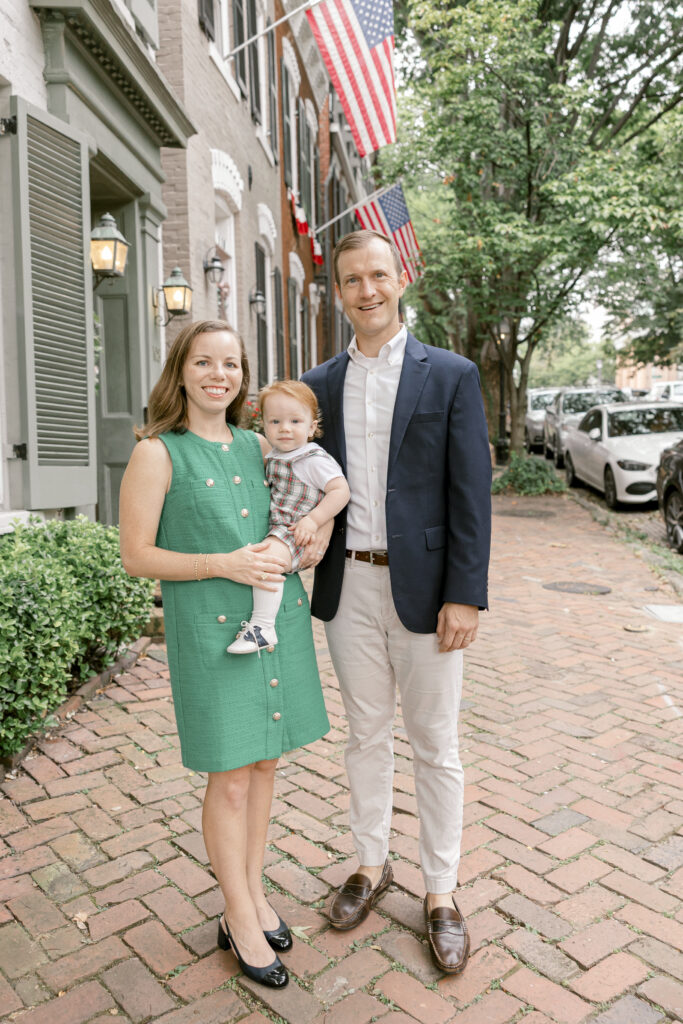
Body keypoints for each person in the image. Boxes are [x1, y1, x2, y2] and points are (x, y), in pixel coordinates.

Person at [119, 320, 330, 990]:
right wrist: (222, 563)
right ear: (180, 371)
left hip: (276, 618)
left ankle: (254, 893)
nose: (219, 374)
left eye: (232, 364)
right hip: (211, 630)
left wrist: (313, 536)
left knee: (265, 763)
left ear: (243, 377)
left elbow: (303, 504)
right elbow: (135, 556)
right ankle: (237, 914)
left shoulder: (259, 445)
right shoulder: (157, 452)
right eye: (205, 362)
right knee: (230, 776)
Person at [302, 230, 491, 975]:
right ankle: (370, 864)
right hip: (346, 584)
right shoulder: (317, 385)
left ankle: (441, 891)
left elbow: (470, 493)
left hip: (428, 590)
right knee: (365, 735)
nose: (367, 290)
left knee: (435, 743)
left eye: (377, 275)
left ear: (400, 278)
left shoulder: (451, 375)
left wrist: (464, 595)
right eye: (352, 280)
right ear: (338, 292)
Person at [228, 380, 349, 654]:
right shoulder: (275, 456)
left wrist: (314, 520)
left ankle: (263, 627)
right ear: (264, 425)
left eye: (295, 421)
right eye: (275, 421)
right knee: (262, 560)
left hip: (296, 532)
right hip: (281, 530)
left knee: (265, 562)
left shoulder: (312, 459)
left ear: (312, 427)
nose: (284, 428)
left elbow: (341, 490)